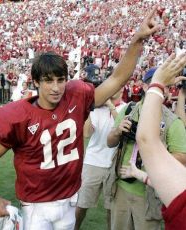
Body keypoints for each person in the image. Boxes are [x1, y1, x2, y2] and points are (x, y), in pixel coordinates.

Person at [0, 9, 159, 230]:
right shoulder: (19, 116)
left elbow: (118, 78)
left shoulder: (77, 95)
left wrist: (137, 40)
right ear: (35, 81)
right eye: (48, 80)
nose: (56, 88)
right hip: (36, 205)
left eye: (60, 79)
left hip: (69, 199)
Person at [107, 67, 186, 229]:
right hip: (121, 187)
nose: (161, 89)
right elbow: (110, 142)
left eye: (165, 86)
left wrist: (153, 148)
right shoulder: (129, 109)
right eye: (156, 84)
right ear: (144, 86)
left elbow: (182, 158)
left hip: (149, 195)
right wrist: (117, 131)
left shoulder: (173, 121)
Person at [136, 53, 186, 229]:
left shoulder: (173, 121)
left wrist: (157, 83)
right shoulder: (130, 109)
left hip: (159, 189)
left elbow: (147, 140)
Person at [75, 90, 125, 230]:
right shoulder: (97, 110)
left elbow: (123, 129)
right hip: (93, 162)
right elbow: (86, 133)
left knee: (111, 208)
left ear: (122, 88)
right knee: (82, 204)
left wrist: (110, 106)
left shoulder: (126, 107)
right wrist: (89, 110)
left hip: (114, 164)